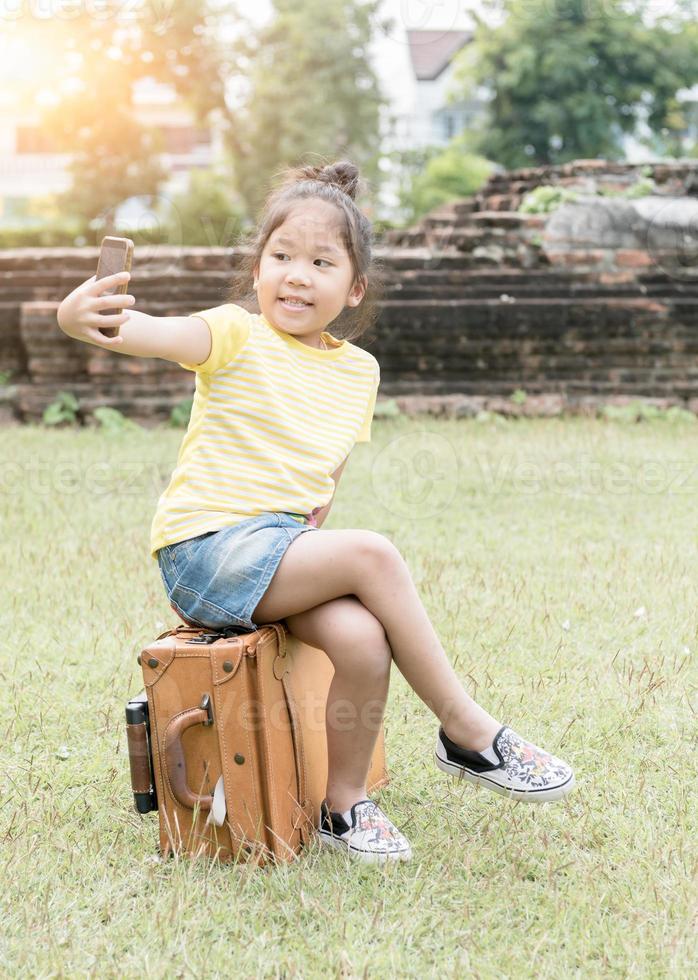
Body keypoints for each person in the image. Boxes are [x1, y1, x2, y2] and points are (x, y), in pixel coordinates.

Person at [57, 159, 575, 865]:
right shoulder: (234, 334)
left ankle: (342, 805)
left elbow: (321, 482)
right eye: (281, 257)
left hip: (279, 552)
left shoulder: (358, 371)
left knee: (362, 641)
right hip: (205, 552)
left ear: (353, 288)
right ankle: (466, 729)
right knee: (376, 554)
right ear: (259, 268)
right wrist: (79, 318)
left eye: (321, 261)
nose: (297, 274)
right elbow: (145, 331)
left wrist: (310, 535)